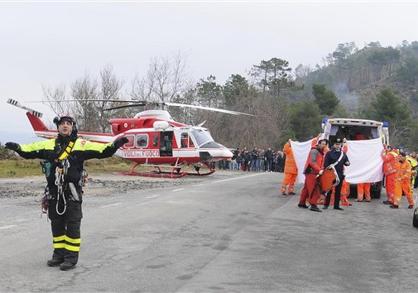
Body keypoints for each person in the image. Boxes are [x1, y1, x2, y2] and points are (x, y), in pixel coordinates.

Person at [5, 115, 128, 271]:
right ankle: (59, 255)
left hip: (71, 191)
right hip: (54, 191)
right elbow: (30, 150)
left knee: (73, 224)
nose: (65, 126)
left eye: (68, 124)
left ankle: (71, 258)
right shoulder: (49, 145)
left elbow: (102, 150)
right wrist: (17, 147)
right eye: (62, 123)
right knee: (56, 224)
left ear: (72, 127)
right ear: (58, 127)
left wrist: (115, 145)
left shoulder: (81, 144)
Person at [298, 138, 328, 212]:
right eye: (323, 144)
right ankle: (313, 205)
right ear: (319, 143)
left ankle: (301, 203)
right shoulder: (314, 151)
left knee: (306, 188)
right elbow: (312, 162)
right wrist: (319, 170)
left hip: (312, 172)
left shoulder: (319, 151)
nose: (324, 145)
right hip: (312, 172)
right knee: (315, 188)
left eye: (325, 144)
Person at [323, 138, 350, 210]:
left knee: (338, 191)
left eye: (339, 144)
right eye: (336, 144)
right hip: (331, 175)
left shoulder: (343, 154)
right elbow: (325, 164)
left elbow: (347, 162)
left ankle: (336, 206)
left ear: (341, 145)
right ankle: (326, 205)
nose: (338, 146)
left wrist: (347, 163)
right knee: (329, 190)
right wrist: (329, 170)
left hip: (340, 175)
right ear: (334, 145)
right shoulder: (329, 153)